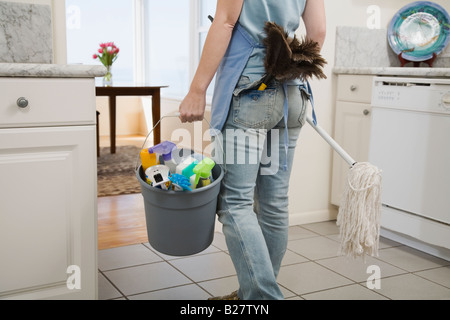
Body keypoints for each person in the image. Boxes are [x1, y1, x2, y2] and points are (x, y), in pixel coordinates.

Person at [179, 0, 326, 300]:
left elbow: (224, 22)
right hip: (291, 93)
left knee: (235, 202)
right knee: (274, 201)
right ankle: (254, 291)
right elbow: (318, 31)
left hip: (252, 92)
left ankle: (263, 298)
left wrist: (196, 90)